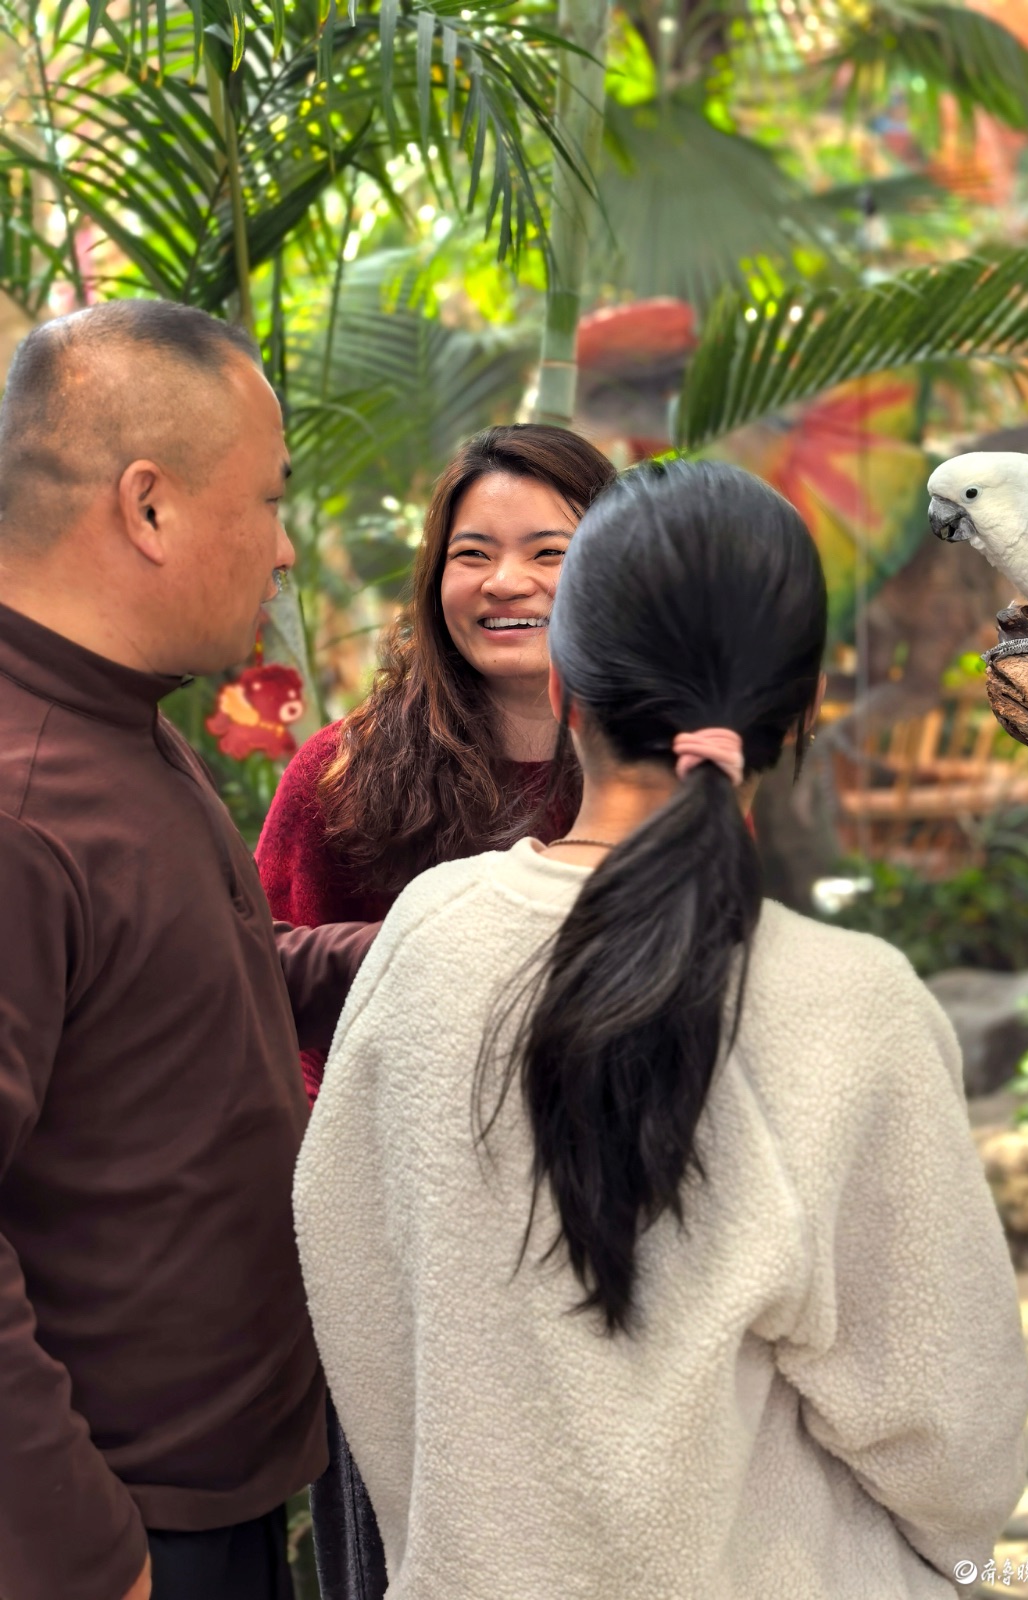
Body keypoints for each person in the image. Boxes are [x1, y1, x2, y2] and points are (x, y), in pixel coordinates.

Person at [295, 460, 1028, 1599]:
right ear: (798, 711)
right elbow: (954, 1443)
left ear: (566, 679)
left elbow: (354, 1283)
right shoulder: (851, 1003)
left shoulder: (430, 940)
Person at [0, 300, 376, 1600]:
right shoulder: (26, 797)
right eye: (268, 501)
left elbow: (182, 996)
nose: (281, 552)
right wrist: (81, 1550)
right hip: (121, 1529)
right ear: (148, 508)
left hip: (219, 1490)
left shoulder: (116, 720)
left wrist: (416, 947)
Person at [256, 423, 616, 1598]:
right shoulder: (342, 774)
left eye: (549, 549)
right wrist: (443, 942)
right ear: (435, 576)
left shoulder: (660, 779)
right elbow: (257, 973)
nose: (506, 582)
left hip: (599, 1254)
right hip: (395, 1268)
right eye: (475, 551)